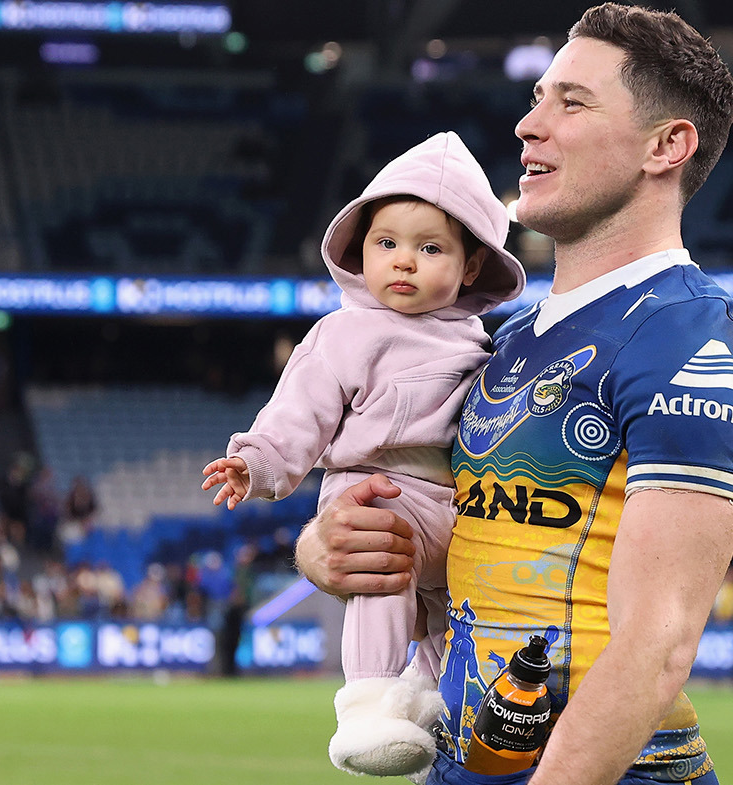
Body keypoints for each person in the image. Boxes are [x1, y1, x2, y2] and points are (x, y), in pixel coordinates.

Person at [295, 6, 733, 784]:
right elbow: (477, 538)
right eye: (536, 98)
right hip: (465, 757)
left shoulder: (690, 342)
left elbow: (656, 646)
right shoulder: (503, 339)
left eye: (571, 102)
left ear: (666, 146)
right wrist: (327, 547)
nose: (528, 125)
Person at [201, 131, 524, 779]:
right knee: (384, 564)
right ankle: (369, 706)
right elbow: (300, 411)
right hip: (381, 488)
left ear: (470, 268)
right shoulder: (344, 333)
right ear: (360, 249)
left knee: (459, 604)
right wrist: (256, 462)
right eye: (386, 243)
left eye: (430, 248)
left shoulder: (483, 343)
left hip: (457, 505)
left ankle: (431, 696)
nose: (404, 261)